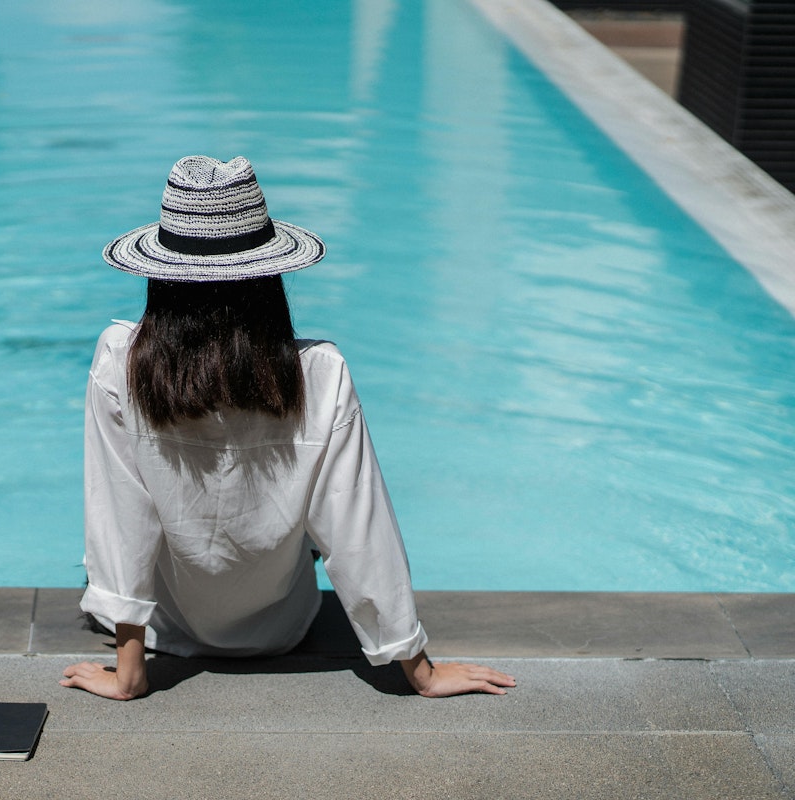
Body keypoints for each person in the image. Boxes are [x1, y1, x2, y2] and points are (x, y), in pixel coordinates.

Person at [61, 155, 515, 701]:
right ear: (269, 276)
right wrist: (419, 670)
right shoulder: (320, 373)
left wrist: (130, 675)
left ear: (162, 276)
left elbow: (119, 519)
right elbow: (357, 528)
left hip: (168, 630)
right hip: (281, 629)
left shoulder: (120, 363)